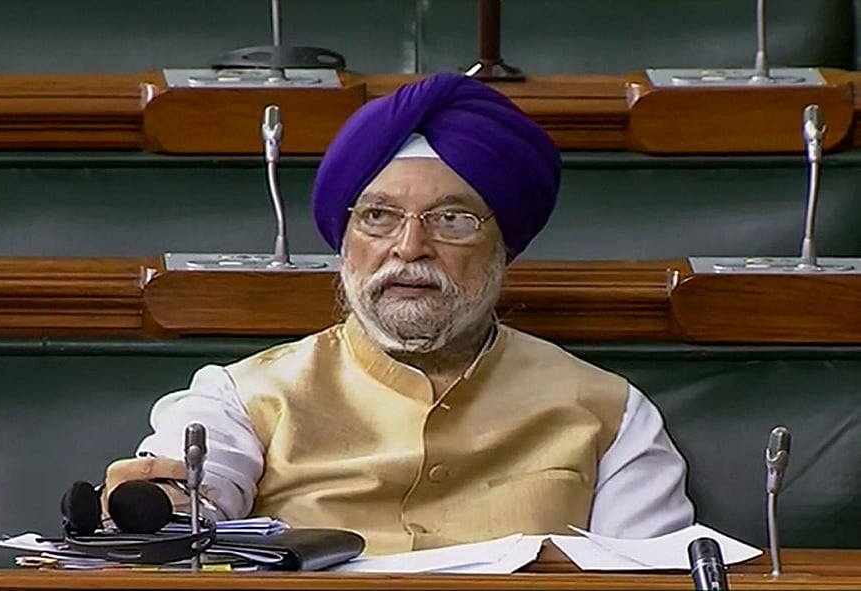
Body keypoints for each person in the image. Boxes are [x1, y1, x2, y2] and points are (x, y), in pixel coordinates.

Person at [105, 72, 694, 555]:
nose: (409, 247)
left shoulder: (613, 416)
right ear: (345, 241)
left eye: (452, 220)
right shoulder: (240, 398)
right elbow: (199, 490)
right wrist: (171, 502)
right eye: (378, 216)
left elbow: (652, 573)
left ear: (504, 248)